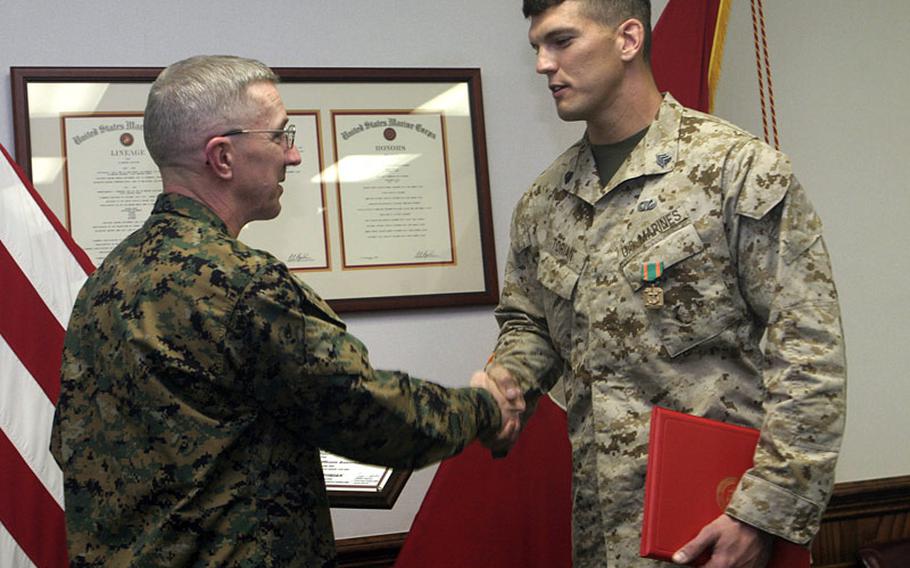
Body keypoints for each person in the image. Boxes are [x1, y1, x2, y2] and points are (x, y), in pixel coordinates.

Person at [50, 55, 523, 567]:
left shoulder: (108, 279)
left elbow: (74, 444)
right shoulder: (239, 283)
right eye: (280, 137)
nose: (293, 156)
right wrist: (485, 408)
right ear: (223, 157)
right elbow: (365, 410)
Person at [486, 1, 847, 566]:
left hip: (719, 530)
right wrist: (508, 381)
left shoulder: (736, 170)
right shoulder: (545, 202)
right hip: (602, 533)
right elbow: (529, 322)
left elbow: (809, 352)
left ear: (628, 39)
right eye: (535, 46)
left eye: (560, 41)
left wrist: (761, 514)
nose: (541, 64)